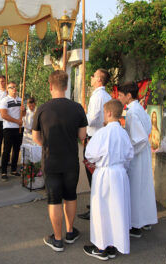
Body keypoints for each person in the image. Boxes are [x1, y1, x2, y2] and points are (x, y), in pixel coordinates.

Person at [32, 70, 88, 252]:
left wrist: (49, 145)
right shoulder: (77, 108)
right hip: (70, 160)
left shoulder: (42, 109)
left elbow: (36, 137)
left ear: (50, 86)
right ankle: (70, 232)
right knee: (70, 195)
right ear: (66, 86)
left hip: (51, 160)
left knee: (54, 199)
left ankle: (57, 239)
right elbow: (82, 136)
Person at [83, 99, 134, 260]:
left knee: (101, 210)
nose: (104, 116)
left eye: (105, 113)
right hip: (120, 174)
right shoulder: (124, 133)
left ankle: (101, 247)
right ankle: (113, 245)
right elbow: (129, 155)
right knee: (116, 210)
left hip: (104, 174)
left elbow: (89, 154)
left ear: (109, 113)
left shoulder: (102, 133)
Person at [117, 81, 158, 238]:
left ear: (128, 96)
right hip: (143, 154)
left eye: (121, 95)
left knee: (135, 189)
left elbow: (139, 139)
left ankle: (135, 225)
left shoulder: (131, 112)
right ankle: (145, 219)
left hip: (136, 154)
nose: (119, 97)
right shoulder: (139, 108)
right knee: (143, 188)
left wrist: (128, 153)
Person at [78, 68, 112, 220]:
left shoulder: (98, 96)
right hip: (101, 137)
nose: (90, 77)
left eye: (93, 75)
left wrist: (81, 115)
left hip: (94, 137)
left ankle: (96, 208)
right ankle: (96, 204)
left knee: (92, 174)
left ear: (99, 79)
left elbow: (91, 120)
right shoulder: (106, 95)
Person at [0, 81, 25, 181]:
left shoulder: (21, 100)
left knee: (16, 149)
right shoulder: (4, 100)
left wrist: (23, 111)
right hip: (9, 128)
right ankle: (4, 171)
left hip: (19, 128)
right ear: (8, 89)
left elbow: (24, 114)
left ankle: (14, 170)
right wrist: (17, 121)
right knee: (7, 150)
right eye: (11, 87)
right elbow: (3, 115)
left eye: (15, 87)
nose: (14, 89)